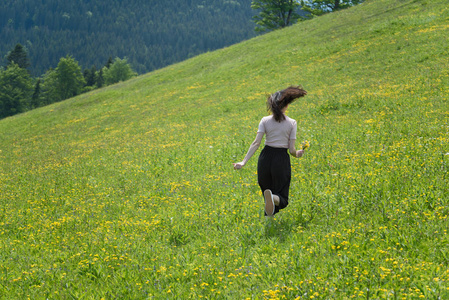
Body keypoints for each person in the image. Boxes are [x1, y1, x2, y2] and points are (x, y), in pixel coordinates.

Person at [233, 86, 307, 216]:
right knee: (281, 198)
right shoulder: (292, 123)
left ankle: (270, 222)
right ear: (286, 105)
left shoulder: (264, 120)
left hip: (265, 159)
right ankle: (272, 198)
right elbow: (291, 150)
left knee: (267, 194)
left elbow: (256, 143)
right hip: (281, 159)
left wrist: (243, 162)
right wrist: (298, 153)